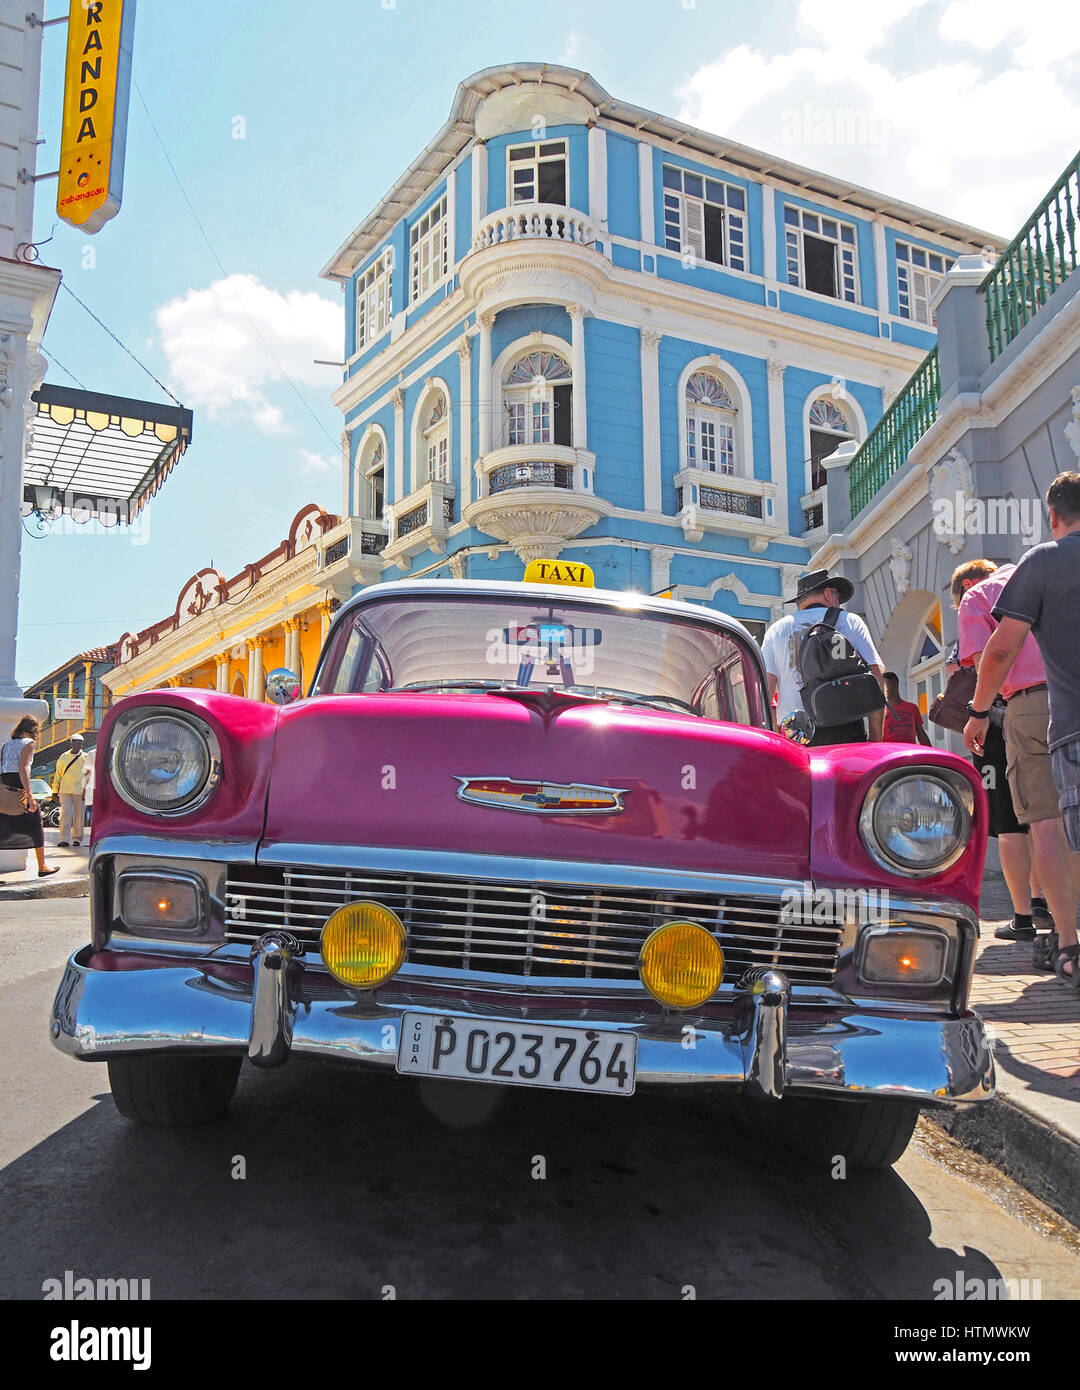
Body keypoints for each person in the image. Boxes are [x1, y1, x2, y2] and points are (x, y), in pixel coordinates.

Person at [963, 473, 1080, 986]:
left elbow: (1001, 649)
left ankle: (1069, 943)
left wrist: (979, 709)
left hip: (1052, 715)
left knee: (1047, 823)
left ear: (1054, 516)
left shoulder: (1043, 562)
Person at [952, 560, 1049, 941]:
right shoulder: (1039, 575)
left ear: (970, 583)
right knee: (1049, 816)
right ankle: (1047, 904)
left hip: (1004, 721)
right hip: (1061, 701)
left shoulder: (977, 599)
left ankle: (1023, 916)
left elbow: (983, 664)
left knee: (1011, 824)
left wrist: (976, 713)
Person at [762, 568, 885, 746]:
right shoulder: (850, 621)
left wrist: (776, 731)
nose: (839, 604)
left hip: (795, 731)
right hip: (846, 728)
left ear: (800, 601)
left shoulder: (777, 630)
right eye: (838, 598)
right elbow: (874, 675)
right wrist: (876, 734)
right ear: (828, 594)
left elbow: (765, 690)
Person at [0, 717, 59, 877]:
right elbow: (23, 768)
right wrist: (30, 796)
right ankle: (42, 866)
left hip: (4, 788)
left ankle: (43, 865)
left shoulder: (7, 744)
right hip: (19, 789)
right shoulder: (28, 743)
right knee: (36, 822)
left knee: (2, 829)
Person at [53, 732, 88, 848]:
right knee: (65, 814)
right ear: (71, 743)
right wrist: (55, 791)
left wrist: (87, 790)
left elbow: (90, 775)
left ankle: (77, 838)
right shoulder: (64, 757)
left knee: (79, 816)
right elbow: (58, 774)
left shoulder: (86, 757)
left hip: (80, 790)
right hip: (65, 790)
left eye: (80, 742)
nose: (78, 744)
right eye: (76, 742)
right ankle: (64, 839)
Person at [881, 672, 932, 745]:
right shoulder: (880, 711)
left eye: (885, 684)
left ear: (895, 684)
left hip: (908, 752)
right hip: (890, 753)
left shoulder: (912, 708)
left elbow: (921, 733)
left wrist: (929, 753)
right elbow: (876, 735)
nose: (883, 688)